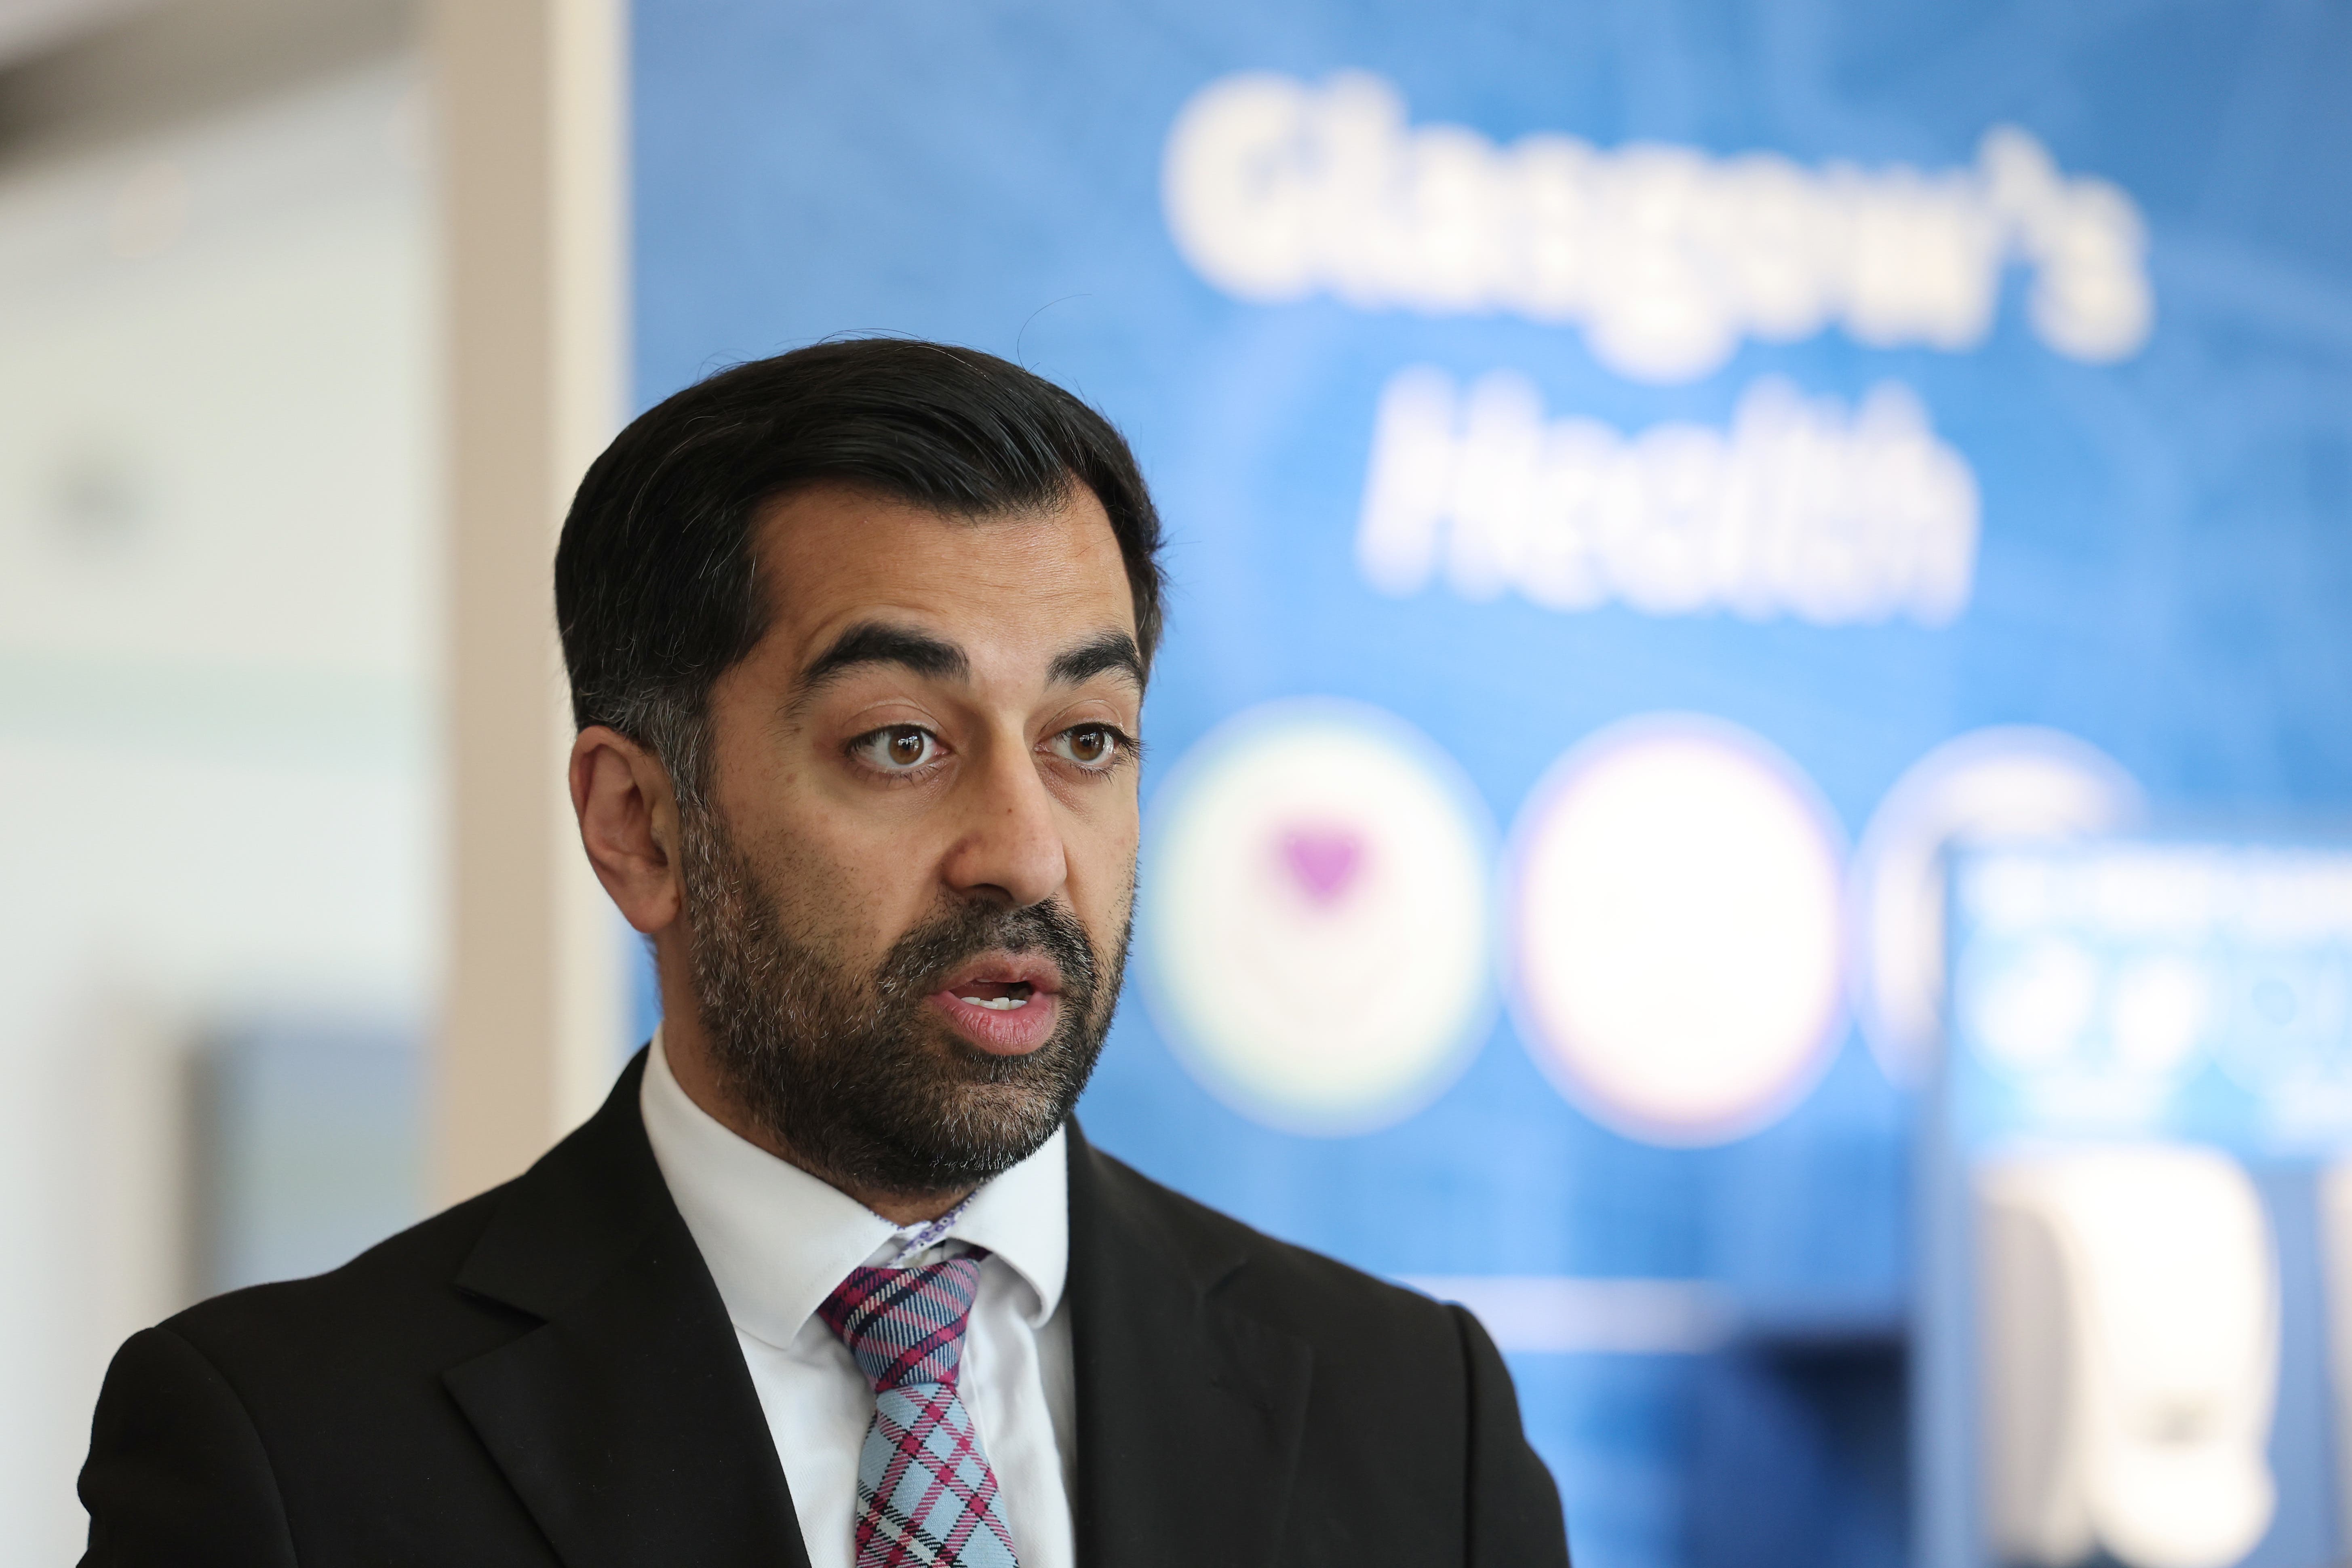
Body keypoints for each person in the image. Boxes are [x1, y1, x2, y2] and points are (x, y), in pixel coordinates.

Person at [76, 339, 1571, 1568]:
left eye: (1086, 741)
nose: (1027, 850)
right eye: (901, 743)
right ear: (640, 824)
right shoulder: (288, 1454)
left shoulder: (1410, 1417)